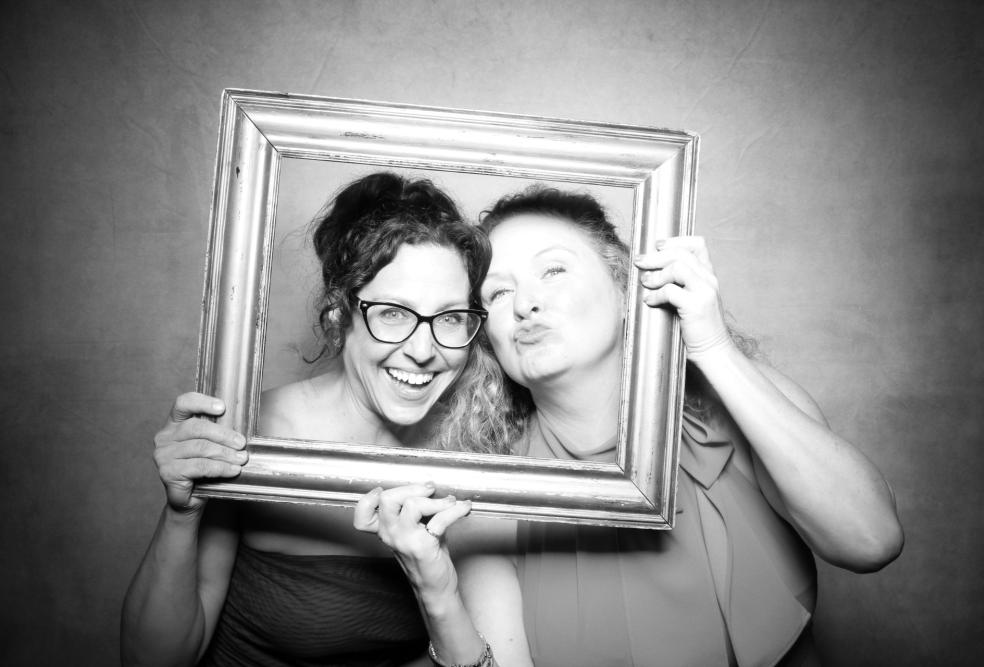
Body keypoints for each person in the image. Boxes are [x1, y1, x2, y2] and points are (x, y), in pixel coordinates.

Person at [365, 186, 905, 666]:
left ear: (625, 288)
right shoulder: (493, 497)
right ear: (490, 339)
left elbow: (871, 541)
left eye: (553, 270)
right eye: (498, 293)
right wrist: (437, 594)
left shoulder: (734, 408)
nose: (525, 304)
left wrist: (712, 346)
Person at [120, 172, 500, 667]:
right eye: (392, 313)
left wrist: (437, 591)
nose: (424, 350)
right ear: (340, 314)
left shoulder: (476, 450)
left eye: (449, 317)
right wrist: (181, 515)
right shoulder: (252, 434)